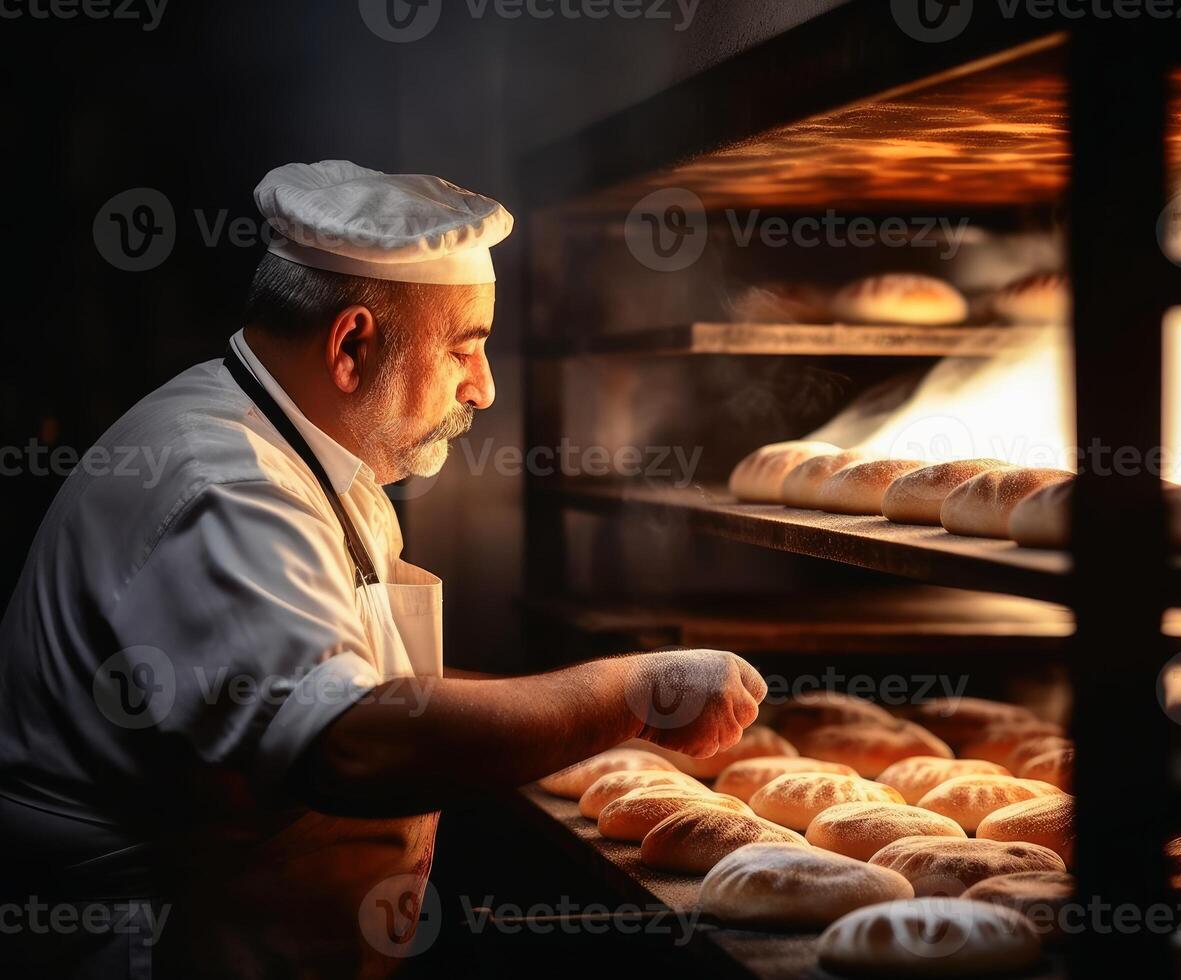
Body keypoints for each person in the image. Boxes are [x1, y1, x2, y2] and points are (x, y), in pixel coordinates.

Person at [0, 160, 765, 979]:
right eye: (465, 348)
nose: (486, 388)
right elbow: (351, 744)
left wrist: (576, 730)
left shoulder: (311, 455)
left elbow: (381, 688)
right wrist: (632, 697)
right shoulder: (226, 485)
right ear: (352, 343)